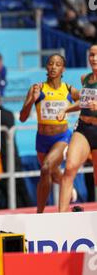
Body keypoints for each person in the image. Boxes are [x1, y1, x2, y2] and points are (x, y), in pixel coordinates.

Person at [19, 54, 79, 213]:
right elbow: (22, 118)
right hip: (42, 140)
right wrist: (32, 99)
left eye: (58, 64)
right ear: (46, 67)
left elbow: (85, 102)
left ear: (63, 69)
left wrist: (69, 109)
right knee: (52, 173)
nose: (53, 67)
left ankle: (40, 214)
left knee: (46, 168)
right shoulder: (37, 88)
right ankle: (69, 187)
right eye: (51, 64)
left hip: (62, 137)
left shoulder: (68, 89)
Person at [59, 44, 97, 212]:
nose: (94, 59)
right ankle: (61, 217)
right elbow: (83, 103)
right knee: (69, 168)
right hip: (84, 128)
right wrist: (65, 109)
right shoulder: (85, 78)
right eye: (91, 55)